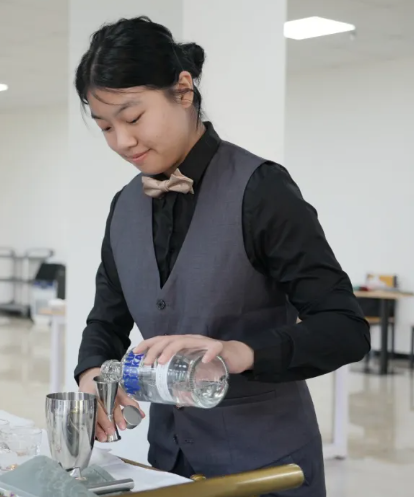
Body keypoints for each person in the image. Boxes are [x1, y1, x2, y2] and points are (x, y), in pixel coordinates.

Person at [72, 17, 370, 496]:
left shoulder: (262, 189)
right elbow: (106, 320)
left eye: (133, 118)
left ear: (183, 90)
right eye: (105, 126)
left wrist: (239, 354)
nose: (122, 141)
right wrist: (92, 373)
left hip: (267, 467)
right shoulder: (124, 205)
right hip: (170, 465)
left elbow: (345, 328)